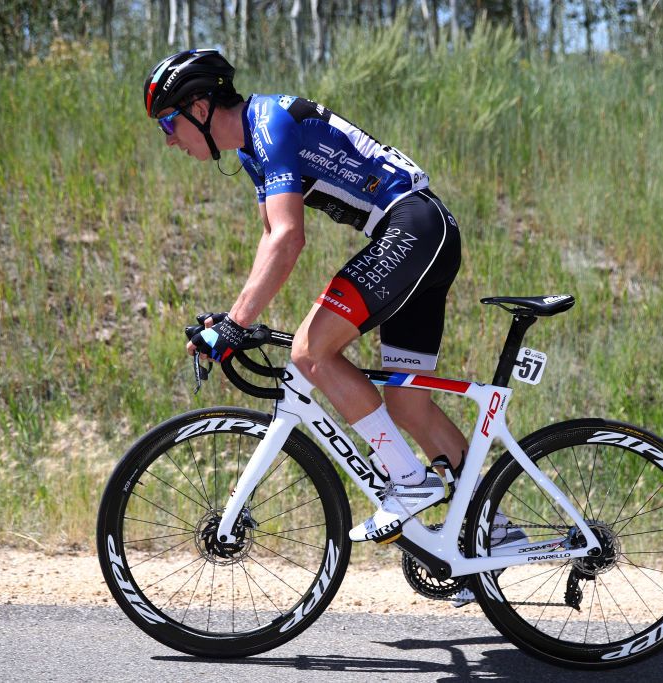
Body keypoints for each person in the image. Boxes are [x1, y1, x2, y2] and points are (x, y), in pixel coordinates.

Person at [146, 48, 466, 545]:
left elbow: (289, 239)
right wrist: (234, 317)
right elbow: (271, 236)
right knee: (408, 406)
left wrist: (236, 322)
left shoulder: (269, 123)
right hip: (422, 233)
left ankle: (409, 483)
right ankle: (487, 530)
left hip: (412, 228)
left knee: (310, 352)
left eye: (168, 123)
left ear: (201, 109)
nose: (169, 141)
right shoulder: (254, 148)